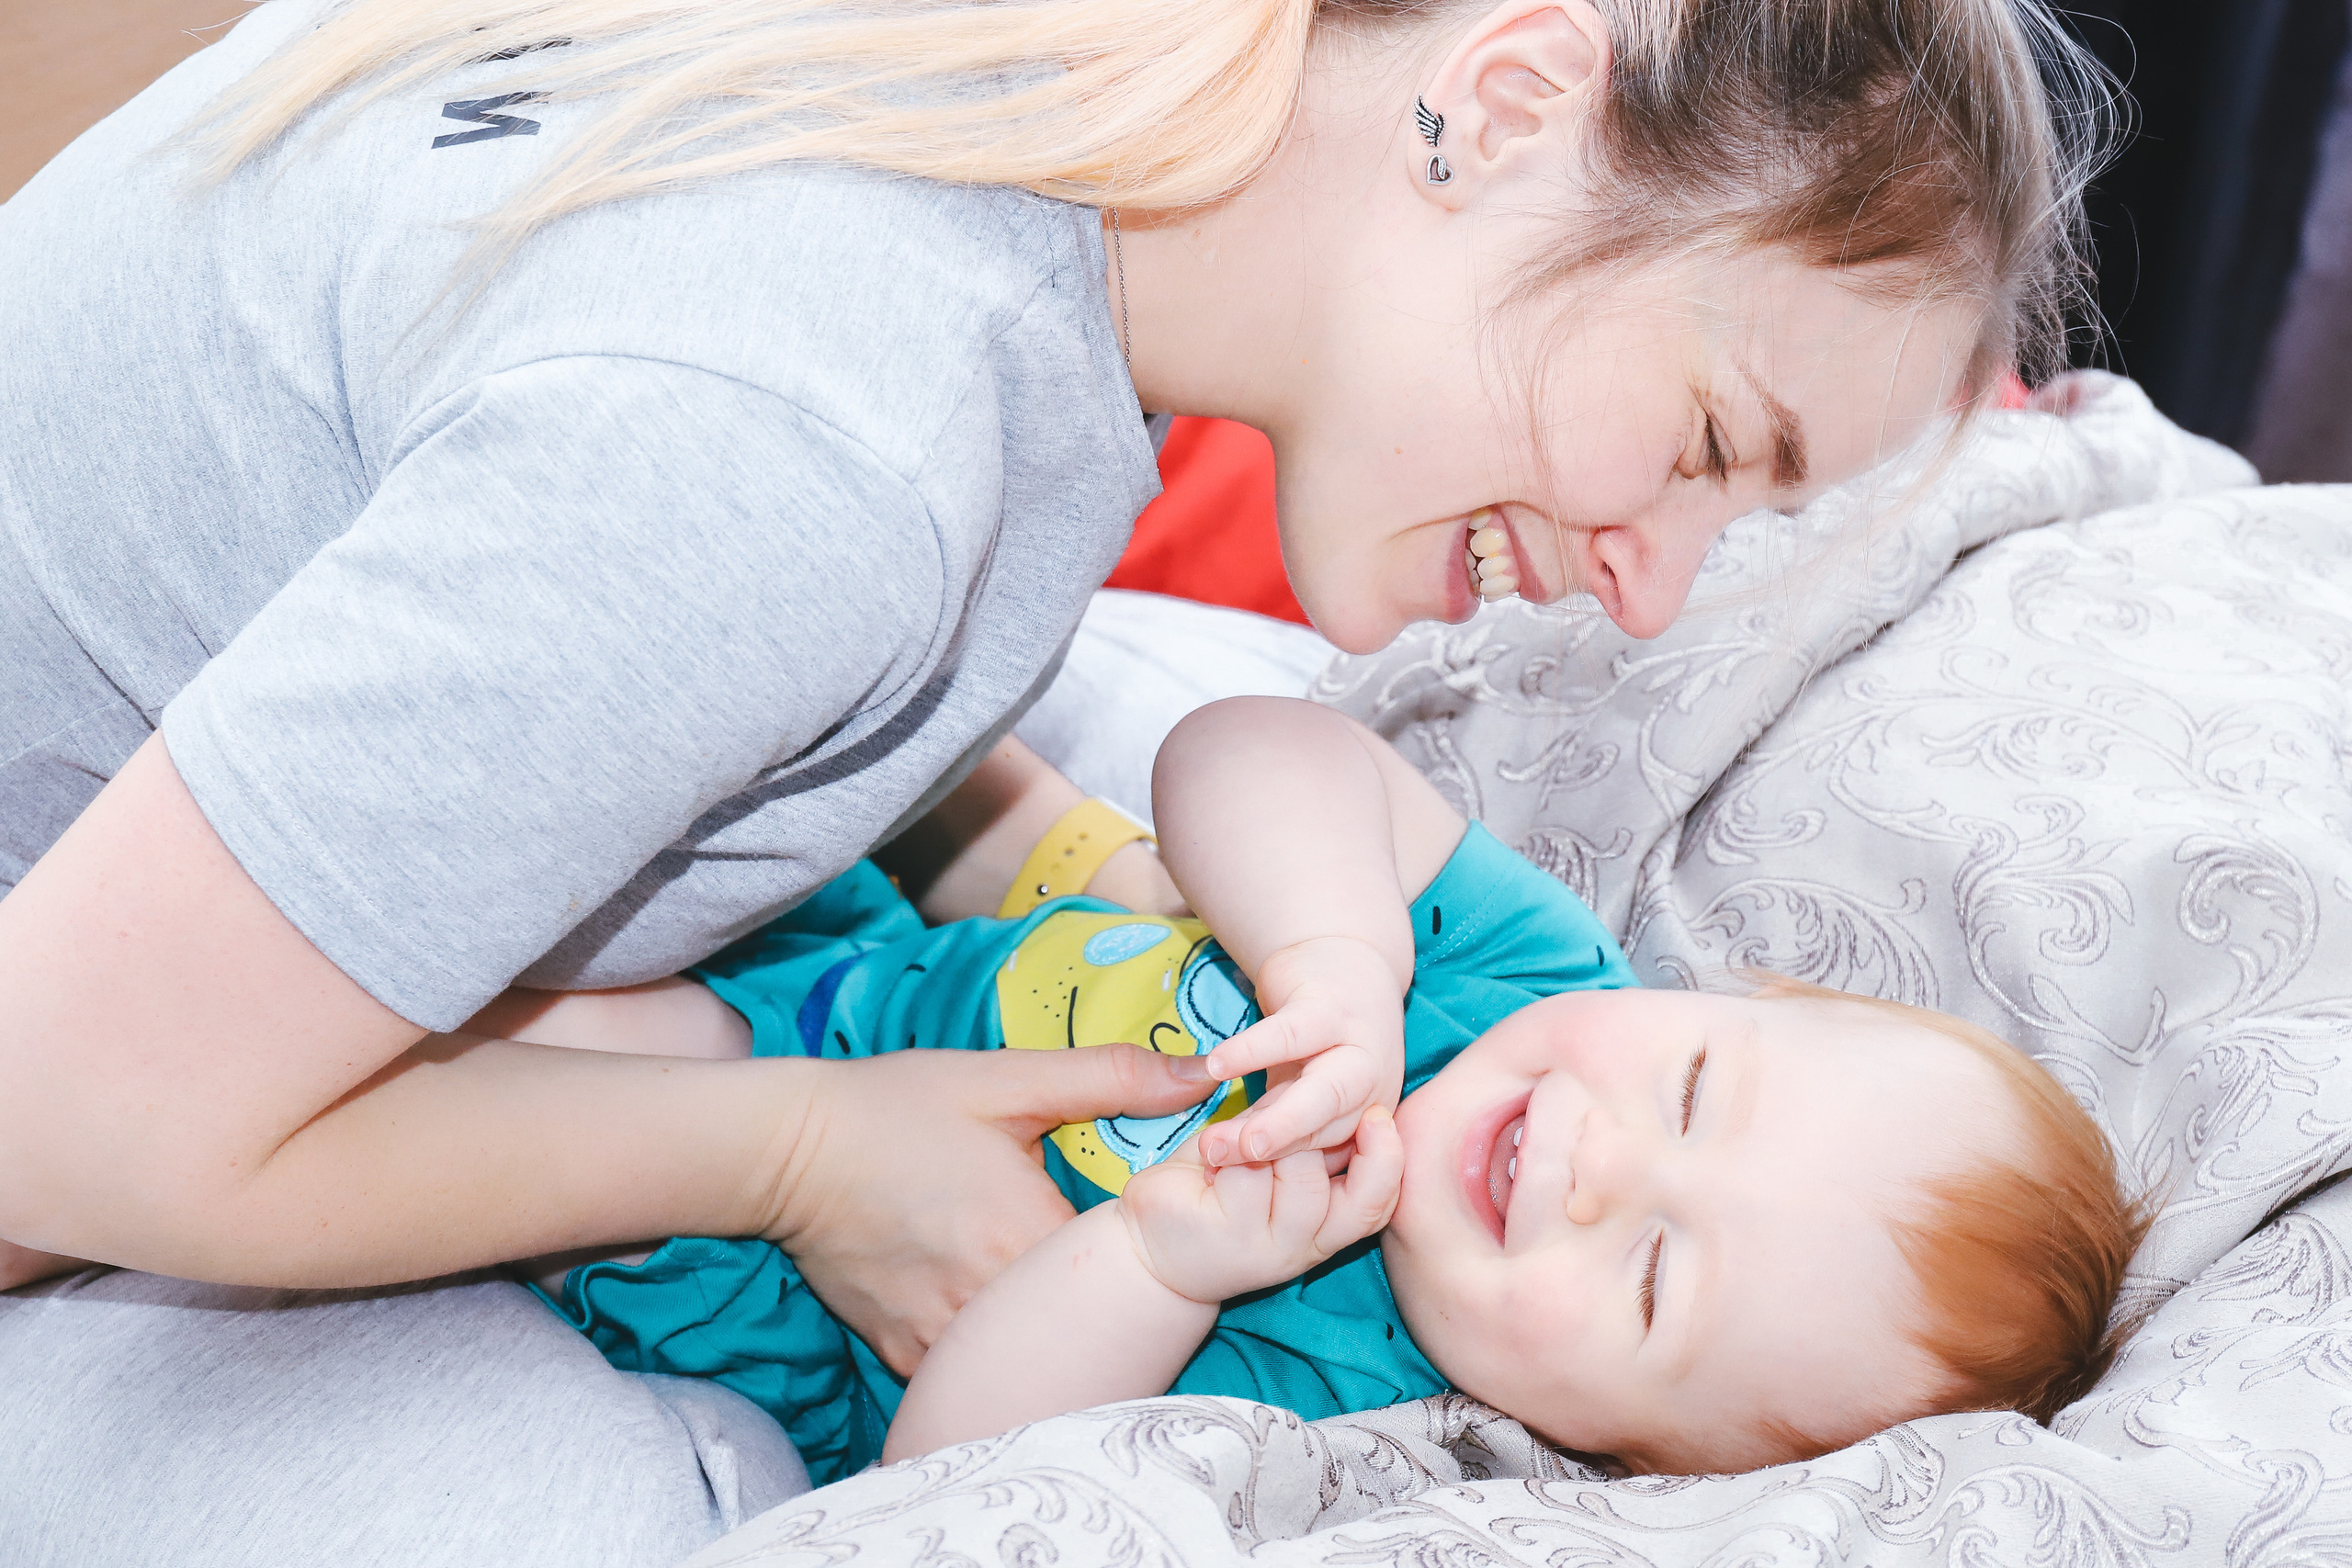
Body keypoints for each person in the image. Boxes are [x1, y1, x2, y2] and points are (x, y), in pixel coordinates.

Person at [0, 0, 2110, 1548]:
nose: (1646, 598)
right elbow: (52, 1119)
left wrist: (1001, 825)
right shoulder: (829, 448)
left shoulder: (986, 164)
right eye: (1710, 444)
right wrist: (804, 1154)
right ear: (1504, 102)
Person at [493, 697, 2146, 1483]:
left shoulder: (1353, 1410)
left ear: (1624, 1454)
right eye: (1697, 1090)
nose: (1596, 1161)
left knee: (536, 1034)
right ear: (1717, 1001)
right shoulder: (1526, 982)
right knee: (846, 716)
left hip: (779, 1245)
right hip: (901, 956)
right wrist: (1338, 951)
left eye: (1654, 1275)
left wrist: (1154, 1266)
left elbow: (954, 1467)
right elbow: (1249, 747)